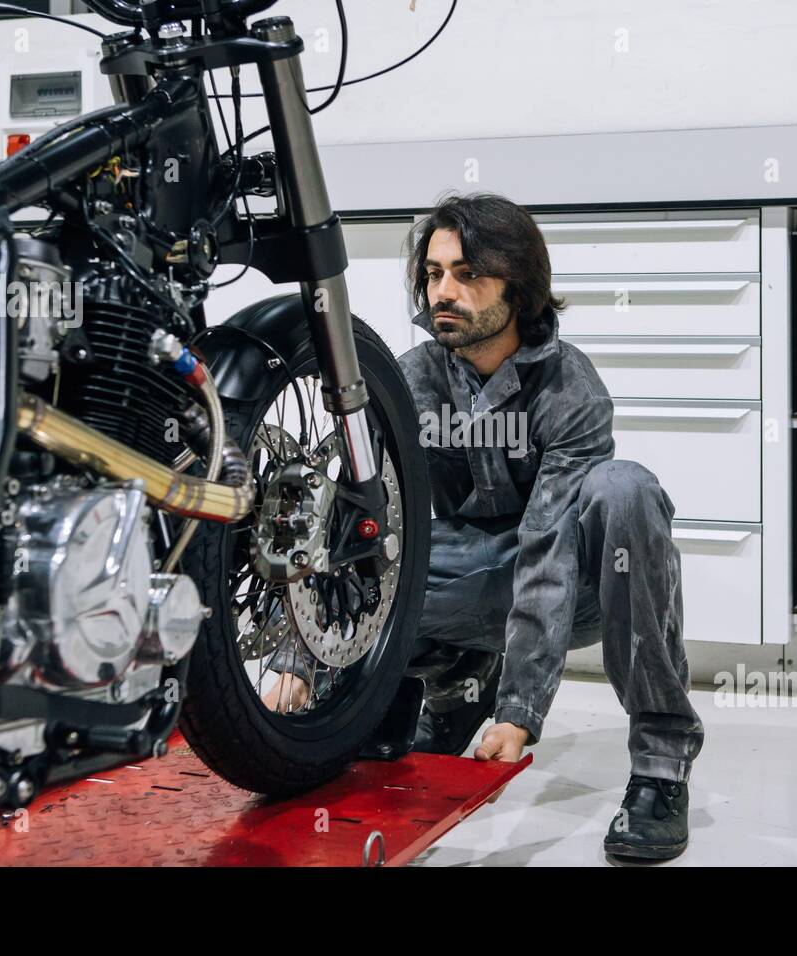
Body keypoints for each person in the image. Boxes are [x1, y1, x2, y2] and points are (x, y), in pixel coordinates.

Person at [267, 193, 705, 860]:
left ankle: (660, 765)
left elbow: (547, 550)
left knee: (627, 491)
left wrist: (520, 711)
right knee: (358, 517)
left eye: (469, 274)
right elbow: (359, 523)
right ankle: (446, 682)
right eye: (436, 273)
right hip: (471, 572)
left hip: (574, 584)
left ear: (519, 285)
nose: (444, 291)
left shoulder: (570, 389)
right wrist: (302, 653)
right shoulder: (410, 380)